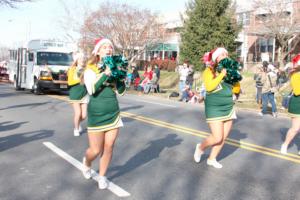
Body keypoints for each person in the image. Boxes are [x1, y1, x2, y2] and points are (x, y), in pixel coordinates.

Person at [82, 37, 126, 189]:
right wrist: (106, 73)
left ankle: (102, 176)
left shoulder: (114, 67)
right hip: (97, 114)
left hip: (113, 112)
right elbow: (92, 90)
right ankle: (87, 163)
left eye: (110, 47)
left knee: (109, 146)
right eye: (105, 47)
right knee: (95, 150)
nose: (109, 49)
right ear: (98, 52)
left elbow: (121, 92)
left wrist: (120, 76)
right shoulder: (90, 69)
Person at [194, 48, 239, 169]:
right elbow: (209, 87)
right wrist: (222, 75)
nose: (225, 56)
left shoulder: (229, 70)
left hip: (228, 106)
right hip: (214, 108)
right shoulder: (209, 71)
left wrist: (235, 80)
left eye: (226, 54)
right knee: (217, 137)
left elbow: (236, 89)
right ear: (216, 59)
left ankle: (211, 159)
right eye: (222, 54)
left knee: (223, 138)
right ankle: (201, 147)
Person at [280, 54, 300, 155]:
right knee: (296, 128)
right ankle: (285, 145)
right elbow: (297, 91)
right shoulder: (295, 75)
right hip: (297, 104)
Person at [67, 52, 88, 136]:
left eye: (83, 59)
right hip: (75, 94)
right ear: (77, 60)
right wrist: (80, 79)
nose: (82, 60)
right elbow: (70, 82)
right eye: (80, 59)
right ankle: (76, 129)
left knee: (84, 116)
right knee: (78, 113)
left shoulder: (87, 69)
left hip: (84, 94)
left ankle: (78, 124)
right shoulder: (72, 69)